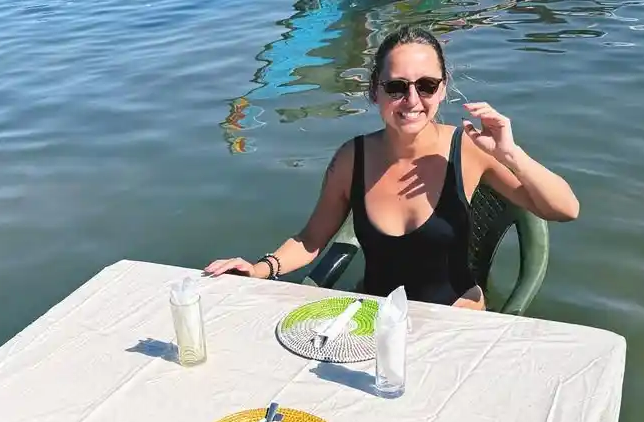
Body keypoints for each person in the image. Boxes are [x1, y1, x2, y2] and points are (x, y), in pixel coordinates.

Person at [203, 26, 579, 308]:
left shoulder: (467, 148)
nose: (412, 100)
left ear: (443, 89)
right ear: (375, 91)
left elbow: (564, 210)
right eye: (397, 87)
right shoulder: (353, 159)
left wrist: (511, 154)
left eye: (427, 85)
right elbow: (310, 240)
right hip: (373, 319)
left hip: (457, 321)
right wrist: (258, 269)